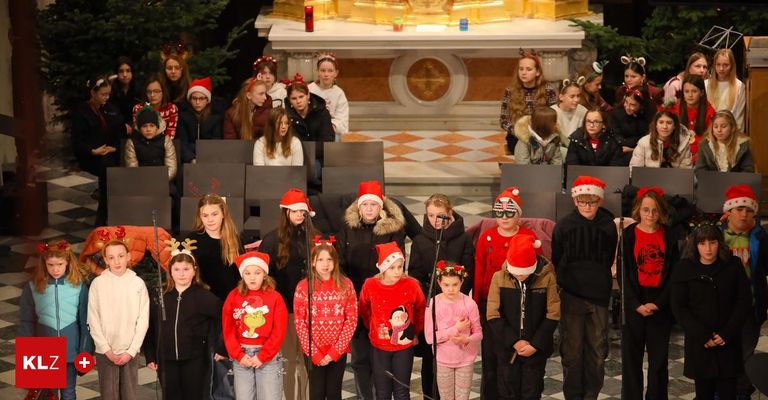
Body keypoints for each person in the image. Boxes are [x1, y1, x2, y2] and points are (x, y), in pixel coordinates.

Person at [337, 180, 406, 400]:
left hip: (383, 301)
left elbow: (397, 263)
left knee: (382, 356)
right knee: (359, 359)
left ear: (381, 207)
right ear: (358, 207)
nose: (369, 209)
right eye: (365, 204)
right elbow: (339, 260)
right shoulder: (348, 227)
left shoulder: (393, 229)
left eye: (373, 205)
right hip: (355, 299)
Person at [552, 176, 617, 400]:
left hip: (598, 294)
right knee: (572, 351)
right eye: (582, 202)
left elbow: (609, 257)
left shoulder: (608, 225)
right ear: (575, 201)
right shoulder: (564, 226)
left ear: (599, 201)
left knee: (598, 351)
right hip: (571, 294)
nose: (587, 207)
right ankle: (573, 395)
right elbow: (557, 257)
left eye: (591, 202)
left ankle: (591, 395)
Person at [474, 187, 541, 400]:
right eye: (498, 212)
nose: (503, 217)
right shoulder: (486, 238)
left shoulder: (529, 237)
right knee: (490, 358)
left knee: (513, 358)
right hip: (490, 306)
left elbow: (537, 272)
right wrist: (476, 304)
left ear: (519, 214)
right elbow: (479, 270)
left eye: (509, 212)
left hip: (519, 306)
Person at [671, 222, 750, 400]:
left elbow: (743, 301)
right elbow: (679, 306)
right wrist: (702, 335)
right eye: (702, 243)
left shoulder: (733, 265)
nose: (708, 248)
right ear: (695, 245)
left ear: (719, 244)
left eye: (712, 243)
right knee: (703, 392)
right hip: (700, 341)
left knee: (729, 391)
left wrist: (727, 333)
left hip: (727, 340)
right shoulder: (684, 268)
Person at [408, 193, 475, 397]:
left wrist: (453, 296)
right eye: (430, 215)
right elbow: (415, 274)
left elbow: (469, 273)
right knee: (431, 359)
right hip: (432, 307)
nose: (435, 220)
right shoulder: (421, 240)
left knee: (455, 354)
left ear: (450, 213)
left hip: (456, 305)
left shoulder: (462, 238)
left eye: (440, 215)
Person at [618, 187, 680, 400]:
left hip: (659, 305)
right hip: (634, 303)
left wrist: (659, 303)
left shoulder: (670, 235)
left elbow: (674, 274)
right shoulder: (628, 234)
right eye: (646, 210)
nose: (650, 215)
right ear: (638, 210)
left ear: (661, 212)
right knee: (631, 360)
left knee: (658, 361)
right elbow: (623, 272)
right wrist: (635, 303)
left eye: (654, 210)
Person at [143, 244, 223, 400]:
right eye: (177, 269)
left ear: (194, 270)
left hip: (195, 359)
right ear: (170, 271)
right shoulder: (160, 295)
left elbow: (225, 319)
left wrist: (222, 347)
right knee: (170, 395)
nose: (181, 274)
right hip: (166, 359)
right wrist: (150, 354)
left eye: (186, 269)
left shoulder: (204, 297)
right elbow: (150, 325)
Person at [259, 188, 318, 400]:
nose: (299, 215)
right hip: (286, 310)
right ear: (285, 212)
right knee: (290, 360)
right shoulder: (272, 240)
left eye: (302, 212)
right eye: (295, 211)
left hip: (312, 310)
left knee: (308, 360)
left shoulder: (313, 237)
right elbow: (266, 278)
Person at [487, 234, 560, 400]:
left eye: (523, 273)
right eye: (516, 272)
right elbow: (493, 314)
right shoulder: (499, 278)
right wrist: (514, 341)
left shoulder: (547, 278)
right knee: (507, 391)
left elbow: (553, 313)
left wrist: (535, 344)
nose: (519, 276)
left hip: (536, 348)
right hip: (508, 349)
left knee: (532, 391)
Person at [19, 240, 92, 400]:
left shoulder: (79, 287)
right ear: (44, 264)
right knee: (46, 395)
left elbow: (85, 322)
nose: (55, 269)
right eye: (50, 265)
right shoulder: (33, 287)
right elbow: (26, 322)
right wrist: (27, 355)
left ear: (68, 262)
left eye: (59, 264)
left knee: (68, 393)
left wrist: (85, 350)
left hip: (69, 351)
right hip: (43, 352)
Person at [185, 193, 242, 400]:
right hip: (201, 310)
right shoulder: (192, 240)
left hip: (226, 311)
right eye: (205, 215)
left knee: (221, 361)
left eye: (214, 214)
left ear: (223, 214)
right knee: (202, 363)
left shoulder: (234, 239)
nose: (210, 219)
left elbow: (240, 277)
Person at [359, 242, 426, 400]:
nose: (397, 272)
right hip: (379, 347)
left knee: (402, 391)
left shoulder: (411, 285)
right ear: (383, 268)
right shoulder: (370, 285)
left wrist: (414, 332)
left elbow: (421, 308)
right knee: (382, 392)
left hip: (403, 347)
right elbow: (363, 308)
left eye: (400, 266)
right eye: (392, 268)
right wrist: (373, 327)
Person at [720, 185, 768, 399]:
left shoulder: (759, 236)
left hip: (750, 307)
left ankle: (742, 393)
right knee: (722, 355)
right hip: (722, 308)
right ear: (729, 211)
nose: (744, 214)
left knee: (745, 356)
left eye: (748, 210)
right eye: (739, 209)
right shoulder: (715, 235)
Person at [293, 240, 358, 400]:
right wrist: (313, 352)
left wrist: (335, 351)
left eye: (329, 259)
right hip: (313, 350)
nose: (325, 264)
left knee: (334, 392)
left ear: (335, 262)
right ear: (313, 262)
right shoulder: (304, 287)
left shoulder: (346, 285)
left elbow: (351, 319)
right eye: (320, 260)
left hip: (337, 350)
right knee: (316, 393)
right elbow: (299, 321)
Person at [88, 239, 150, 400]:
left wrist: (131, 350)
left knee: (129, 394)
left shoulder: (137, 284)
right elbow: (93, 319)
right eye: (112, 257)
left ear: (128, 256)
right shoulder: (98, 284)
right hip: (106, 351)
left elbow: (143, 320)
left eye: (121, 256)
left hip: (129, 350)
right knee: (109, 394)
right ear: (106, 260)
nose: (117, 261)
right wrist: (105, 348)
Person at [223, 251, 287, 400]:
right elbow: (228, 329)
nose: (252, 277)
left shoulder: (275, 298)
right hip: (242, 356)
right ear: (242, 275)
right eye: (248, 273)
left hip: (268, 356)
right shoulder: (233, 296)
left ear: (264, 274)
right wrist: (239, 355)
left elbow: (279, 331)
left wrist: (263, 356)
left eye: (257, 273)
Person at [70, 76, 125, 226]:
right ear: (93, 93)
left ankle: (115, 214)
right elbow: (77, 142)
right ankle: (102, 218)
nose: (106, 97)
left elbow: (120, 133)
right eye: (103, 94)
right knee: (108, 171)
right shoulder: (81, 112)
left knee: (118, 169)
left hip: (111, 152)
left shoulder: (111, 109)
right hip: (91, 155)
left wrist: (115, 148)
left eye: (108, 94)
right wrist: (93, 151)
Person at [424, 261, 482, 400]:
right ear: (439, 282)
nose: (451, 289)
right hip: (443, 360)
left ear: (461, 282)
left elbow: (479, 333)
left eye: (455, 284)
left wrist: (466, 339)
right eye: (446, 285)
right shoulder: (433, 304)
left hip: (465, 360)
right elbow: (429, 338)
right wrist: (456, 329)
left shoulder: (469, 303)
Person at [500, 51, 558, 153]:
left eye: (528, 69)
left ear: (537, 72)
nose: (523, 72)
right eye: (521, 69)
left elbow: (554, 117)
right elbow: (503, 120)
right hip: (517, 136)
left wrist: (538, 134)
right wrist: (519, 132)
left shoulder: (549, 90)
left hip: (542, 134)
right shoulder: (510, 91)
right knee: (523, 150)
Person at [285, 73, 335, 165]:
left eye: (301, 97)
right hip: (293, 158)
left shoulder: (322, 113)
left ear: (308, 95)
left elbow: (328, 141)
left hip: (318, 157)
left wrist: (308, 152)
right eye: (294, 98)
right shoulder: (285, 116)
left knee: (311, 170)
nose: (298, 101)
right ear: (289, 100)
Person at [176, 77, 225, 163]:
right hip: (188, 161)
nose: (197, 102)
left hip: (210, 160)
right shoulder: (183, 117)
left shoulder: (215, 118)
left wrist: (206, 158)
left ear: (207, 100)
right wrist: (191, 159)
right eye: (194, 98)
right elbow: (182, 142)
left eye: (201, 98)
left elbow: (216, 142)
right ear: (190, 100)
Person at [124, 106, 178, 181]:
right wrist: (145, 182)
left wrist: (162, 180)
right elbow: (132, 167)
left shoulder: (166, 140)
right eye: (144, 126)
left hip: (163, 181)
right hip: (140, 181)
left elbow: (171, 166)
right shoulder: (132, 143)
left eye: (152, 126)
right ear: (139, 128)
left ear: (157, 127)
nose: (148, 129)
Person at [610, 86, 654, 165]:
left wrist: (632, 149)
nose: (627, 107)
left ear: (642, 105)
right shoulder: (617, 113)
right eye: (626, 102)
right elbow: (616, 135)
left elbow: (648, 138)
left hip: (643, 151)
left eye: (632, 105)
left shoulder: (649, 117)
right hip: (621, 150)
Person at [309, 52, 350, 135]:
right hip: (312, 132)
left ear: (336, 73)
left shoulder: (339, 93)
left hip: (331, 132)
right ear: (317, 72)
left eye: (330, 71)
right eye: (323, 70)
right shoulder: (309, 89)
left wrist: (329, 127)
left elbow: (342, 118)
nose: (326, 74)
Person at [675, 74, 715, 160]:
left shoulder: (709, 112)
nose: (690, 95)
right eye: (686, 91)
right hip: (678, 155)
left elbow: (711, 140)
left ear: (701, 92)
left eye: (694, 91)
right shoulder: (676, 109)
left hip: (701, 156)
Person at [705, 48, 746, 131]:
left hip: (731, 134)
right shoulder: (706, 84)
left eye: (725, 65)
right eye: (718, 64)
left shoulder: (740, 86)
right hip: (709, 132)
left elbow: (739, 117)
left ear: (732, 66)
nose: (721, 69)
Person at [550, 77, 588, 151]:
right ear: (561, 97)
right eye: (572, 96)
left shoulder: (583, 111)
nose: (576, 100)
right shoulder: (552, 112)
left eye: (578, 96)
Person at [109, 57, 141, 135]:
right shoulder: (111, 91)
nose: (125, 75)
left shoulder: (138, 90)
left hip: (136, 129)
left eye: (128, 71)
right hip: (116, 130)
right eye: (121, 71)